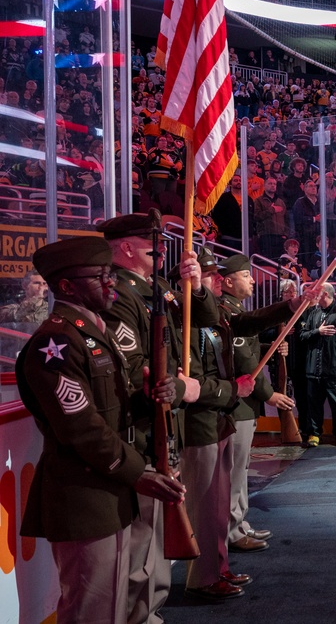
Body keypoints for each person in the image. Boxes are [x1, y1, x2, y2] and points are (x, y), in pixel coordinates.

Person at [17, 237, 185, 623]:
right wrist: (138, 473)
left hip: (108, 490)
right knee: (92, 610)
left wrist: (148, 395)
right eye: (101, 276)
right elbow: (82, 429)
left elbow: (113, 409)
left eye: (111, 273)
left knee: (111, 606)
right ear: (66, 286)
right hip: (84, 495)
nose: (112, 283)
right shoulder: (56, 342)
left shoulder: (92, 332)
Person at [97, 210, 214, 623]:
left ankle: (151, 612)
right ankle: (140, 616)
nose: (162, 252)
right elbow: (136, 373)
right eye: (154, 247)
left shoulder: (157, 286)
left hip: (166, 428)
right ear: (127, 248)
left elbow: (206, 324)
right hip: (145, 431)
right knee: (142, 546)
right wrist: (182, 388)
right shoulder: (122, 295)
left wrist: (196, 286)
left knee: (155, 542)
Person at [216, 255, 315, 553]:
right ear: (228, 281)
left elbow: (245, 348)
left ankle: (239, 522)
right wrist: (269, 394)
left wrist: (268, 348)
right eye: (246, 275)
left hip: (245, 402)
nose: (252, 280)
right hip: (239, 402)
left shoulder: (234, 310)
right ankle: (232, 529)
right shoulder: (226, 311)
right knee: (234, 471)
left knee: (240, 468)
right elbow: (241, 358)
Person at [181, 249, 256, 601]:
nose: (212, 286)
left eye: (209, 279)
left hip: (218, 417)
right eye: (209, 279)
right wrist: (232, 391)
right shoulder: (187, 327)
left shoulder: (208, 322)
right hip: (201, 421)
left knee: (218, 501)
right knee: (207, 505)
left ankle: (217, 569)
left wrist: (292, 306)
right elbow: (195, 380)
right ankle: (204, 576)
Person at [298, 283, 336, 447]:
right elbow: (302, 336)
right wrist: (318, 331)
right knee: (313, 405)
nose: (313, 296)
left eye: (317, 292)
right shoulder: (312, 313)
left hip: (334, 370)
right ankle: (314, 433)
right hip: (313, 369)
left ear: (325, 294)